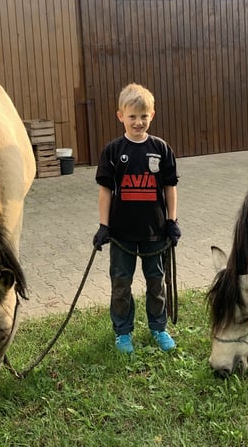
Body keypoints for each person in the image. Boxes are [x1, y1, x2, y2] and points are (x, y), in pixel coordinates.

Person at [93, 83, 181, 354]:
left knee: (156, 283)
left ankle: (158, 328)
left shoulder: (161, 149)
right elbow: (106, 191)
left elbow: (170, 187)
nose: (138, 122)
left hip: (155, 232)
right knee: (121, 284)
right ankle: (123, 333)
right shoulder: (112, 151)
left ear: (152, 115)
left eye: (143, 116)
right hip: (121, 235)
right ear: (120, 116)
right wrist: (104, 226)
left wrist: (172, 221)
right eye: (132, 116)